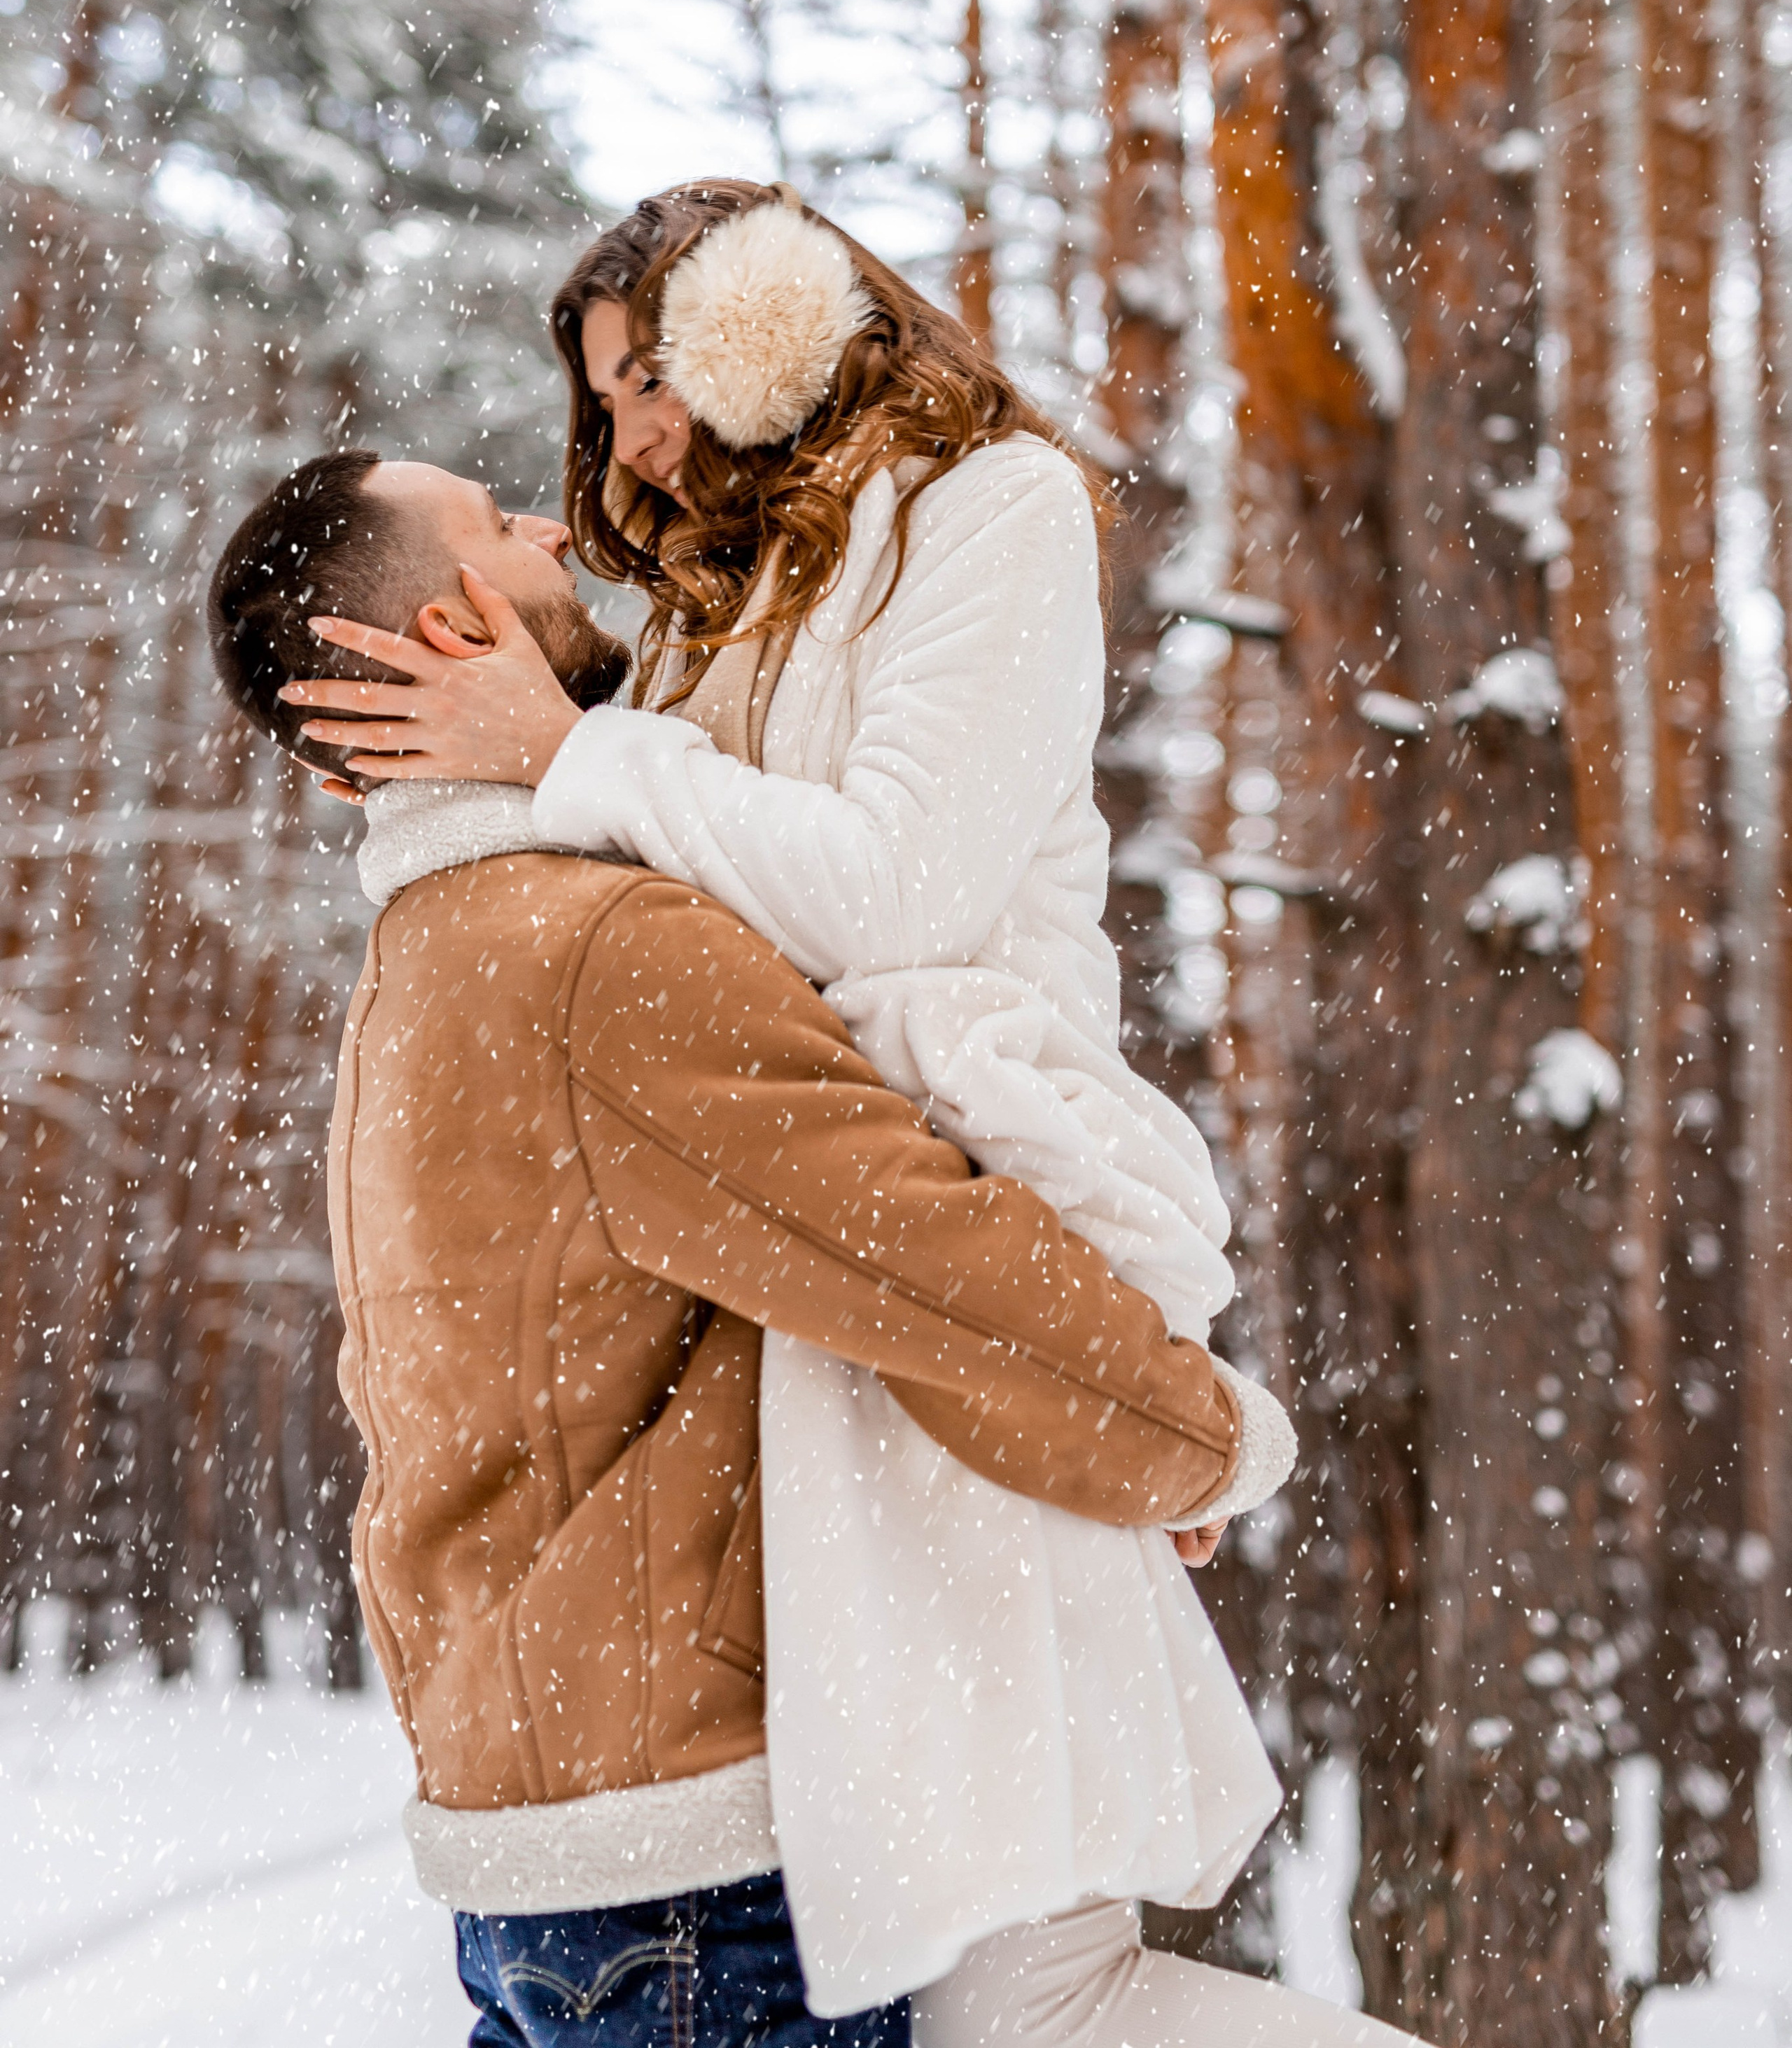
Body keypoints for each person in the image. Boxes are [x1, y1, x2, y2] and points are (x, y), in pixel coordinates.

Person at [280, 185, 1419, 2048]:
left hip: (948, 1228)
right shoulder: (725, 606)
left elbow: (891, 896)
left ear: (775, 322)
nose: (631, 439)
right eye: (609, 397)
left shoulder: (995, 509)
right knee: (986, 2009)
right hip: (832, 1326)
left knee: (1030, 1998)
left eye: (653, 374)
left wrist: (1120, 1390)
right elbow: (670, 961)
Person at [208, 447, 1257, 2048]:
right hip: (693, 1880)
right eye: (499, 526)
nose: (555, 525)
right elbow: (921, 1257)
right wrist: (1191, 1442)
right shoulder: (598, 947)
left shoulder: (424, 964)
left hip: (554, 1841)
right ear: (443, 627)